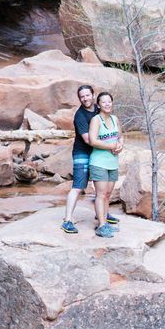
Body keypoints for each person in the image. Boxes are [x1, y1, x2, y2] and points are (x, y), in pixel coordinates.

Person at [61, 84, 97, 234]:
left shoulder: (99, 110)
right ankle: (67, 220)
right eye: (82, 96)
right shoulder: (80, 115)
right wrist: (110, 145)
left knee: (101, 185)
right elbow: (88, 140)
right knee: (78, 187)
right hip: (82, 152)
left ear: (93, 95)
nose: (85, 99)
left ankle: (102, 214)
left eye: (87, 95)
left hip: (97, 153)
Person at [85, 91, 121, 237]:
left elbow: (121, 137)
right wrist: (111, 146)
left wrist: (120, 146)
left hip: (113, 162)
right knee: (100, 194)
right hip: (99, 162)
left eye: (109, 101)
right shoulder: (96, 120)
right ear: (98, 104)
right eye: (104, 102)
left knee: (107, 195)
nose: (107, 104)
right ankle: (101, 226)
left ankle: (105, 221)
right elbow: (93, 141)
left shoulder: (115, 119)